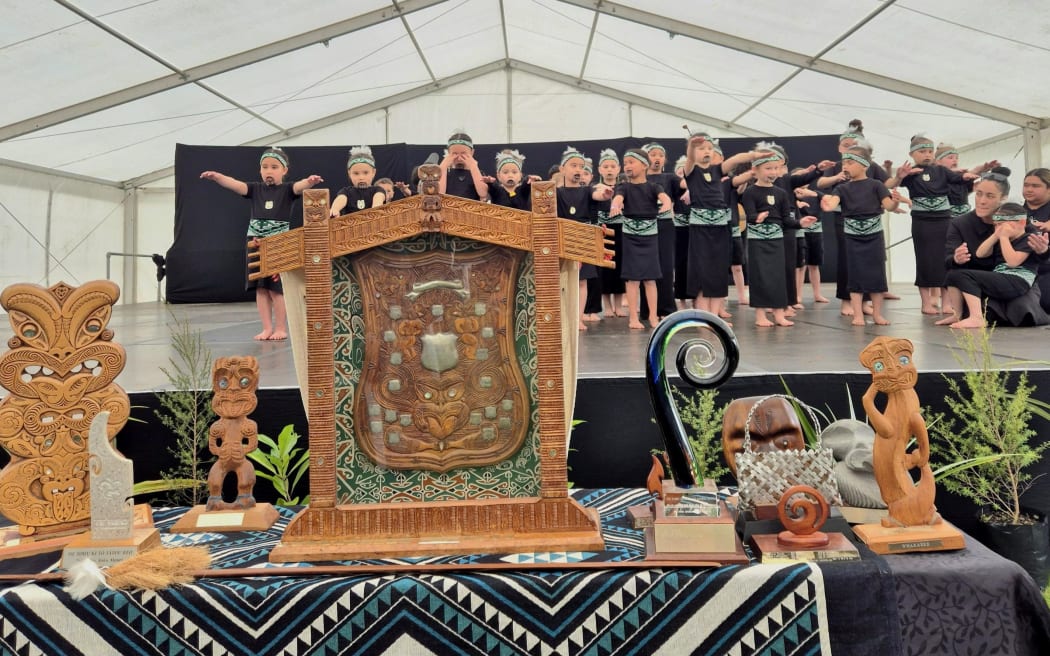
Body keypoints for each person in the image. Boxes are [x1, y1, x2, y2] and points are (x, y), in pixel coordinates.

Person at [200, 147, 322, 341]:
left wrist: (310, 182)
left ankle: (281, 328)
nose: (269, 171)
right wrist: (218, 177)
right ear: (260, 170)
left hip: (278, 244)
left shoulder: (287, 190)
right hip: (255, 243)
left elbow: (299, 187)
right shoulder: (255, 189)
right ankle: (266, 328)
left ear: (284, 170)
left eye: (274, 167)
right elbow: (235, 184)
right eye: (265, 167)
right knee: (260, 288)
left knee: (276, 289)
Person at [886, 133, 989, 315]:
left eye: (930, 151)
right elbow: (890, 184)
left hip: (944, 220)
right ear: (912, 155)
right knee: (925, 260)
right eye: (922, 152)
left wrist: (971, 175)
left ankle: (947, 302)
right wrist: (900, 176)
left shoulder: (941, 171)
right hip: (922, 222)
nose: (927, 155)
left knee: (946, 259)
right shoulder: (911, 173)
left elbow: (960, 179)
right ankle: (926, 302)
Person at [682, 133, 763, 318]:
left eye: (709, 149)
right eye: (701, 149)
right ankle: (704, 316)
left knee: (718, 270)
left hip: (720, 227)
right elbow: (689, 158)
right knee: (702, 272)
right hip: (700, 229)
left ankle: (714, 317)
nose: (706, 152)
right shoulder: (692, 172)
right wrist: (691, 146)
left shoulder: (718, 171)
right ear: (694, 152)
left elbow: (735, 160)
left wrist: (755, 156)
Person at [820, 141, 901, 325]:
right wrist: (827, 205)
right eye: (844, 163)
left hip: (874, 236)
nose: (845, 166)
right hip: (852, 237)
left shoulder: (876, 185)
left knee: (877, 274)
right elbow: (833, 203)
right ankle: (857, 314)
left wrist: (895, 202)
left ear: (864, 165)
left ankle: (877, 314)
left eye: (850, 163)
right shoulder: (842, 188)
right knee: (855, 274)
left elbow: (888, 206)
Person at [740, 151, 816, 327]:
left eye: (776, 168)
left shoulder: (781, 193)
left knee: (778, 276)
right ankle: (760, 315)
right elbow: (749, 214)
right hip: (758, 241)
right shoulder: (751, 192)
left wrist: (800, 223)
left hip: (777, 241)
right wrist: (757, 218)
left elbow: (787, 220)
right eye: (768, 168)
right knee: (759, 276)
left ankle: (779, 314)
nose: (773, 172)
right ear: (756, 170)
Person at [940, 201, 1039, 329]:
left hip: (1018, 281)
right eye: (996, 225)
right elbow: (980, 253)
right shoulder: (1000, 238)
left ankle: (976, 318)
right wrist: (996, 236)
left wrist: (1003, 237)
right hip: (1001, 277)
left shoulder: (1028, 238)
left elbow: (1013, 262)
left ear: (1021, 222)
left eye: (1002, 224)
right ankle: (957, 314)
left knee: (965, 276)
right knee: (953, 275)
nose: (999, 228)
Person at [609, 148, 672, 330]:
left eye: (631, 162)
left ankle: (653, 317)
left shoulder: (653, 187)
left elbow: (665, 198)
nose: (627, 166)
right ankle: (633, 318)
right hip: (630, 237)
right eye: (625, 162)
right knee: (632, 278)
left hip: (650, 237)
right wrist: (615, 205)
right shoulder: (624, 186)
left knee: (651, 278)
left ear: (645, 165)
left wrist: (667, 204)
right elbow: (618, 199)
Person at [558, 147, 614, 330]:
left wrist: (604, 194)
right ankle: (564, 317)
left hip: (583, 238)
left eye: (581, 167)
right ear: (562, 169)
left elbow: (596, 194)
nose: (577, 170)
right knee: (563, 280)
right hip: (563, 236)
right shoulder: (556, 193)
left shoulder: (587, 190)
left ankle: (579, 317)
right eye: (573, 165)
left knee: (582, 281)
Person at [643, 142, 685, 318]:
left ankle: (667, 308)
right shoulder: (639, 179)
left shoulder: (670, 178)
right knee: (647, 269)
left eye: (660, 155)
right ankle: (648, 310)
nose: (657, 158)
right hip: (644, 228)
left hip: (665, 226)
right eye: (653, 154)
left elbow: (684, 185)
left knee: (666, 267)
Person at [596, 149, 627, 317]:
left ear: (618, 168)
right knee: (605, 268)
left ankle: (619, 304)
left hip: (621, 230)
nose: (609, 170)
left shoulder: (624, 187)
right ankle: (607, 305)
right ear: (600, 169)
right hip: (603, 230)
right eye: (605, 166)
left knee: (620, 266)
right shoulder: (595, 188)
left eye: (612, 166)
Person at [1022, 168, 1050, 312]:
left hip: (1046, 269)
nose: (1029, 189)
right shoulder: (1015, 212)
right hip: (1021, 268)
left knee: (1045, 303)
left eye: (1035, 186)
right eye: (1026, 185)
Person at [330, 146, 385, 216]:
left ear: (373, 172)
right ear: (349, 173)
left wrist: (375, 210)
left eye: (365, 173)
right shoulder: (346, 192)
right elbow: (341, 199)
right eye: (356, 173)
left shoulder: (378, 190)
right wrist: (335, 209)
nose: (361, 177)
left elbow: (379, 198)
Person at [438, 132, 487, 200]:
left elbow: (483, 193)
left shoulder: (477, 173)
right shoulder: (445, 173)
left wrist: (473, 166)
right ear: (448, 153)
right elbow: (439, 194)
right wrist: (443, 166)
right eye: (455, 154)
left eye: (463, 154)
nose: (459, 158)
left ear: (472, 152)